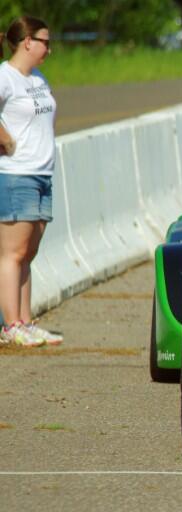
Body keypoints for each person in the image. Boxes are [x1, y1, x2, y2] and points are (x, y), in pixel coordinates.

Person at [0, 16, 62, 348]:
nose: (48, 49)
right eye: (44, 42)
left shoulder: (37, 78)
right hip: (16, 174)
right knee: (13, 251)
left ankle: (25, 320)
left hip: (42, 173)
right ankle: (11, 325)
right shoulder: (5, 77)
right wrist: (6, 139)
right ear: (27, 42)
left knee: (29, 252)